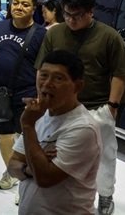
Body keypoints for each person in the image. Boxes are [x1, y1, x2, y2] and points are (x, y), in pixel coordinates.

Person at [35, 0, 125, 214]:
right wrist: (43, 100)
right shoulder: (55, 34)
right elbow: (41, 68)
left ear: (91, 12)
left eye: (77, 15)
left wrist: (112, 107)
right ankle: (60, 195)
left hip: (97, 107)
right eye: (67, 14)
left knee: (104, 156)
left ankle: (105, 195)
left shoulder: (109, 36)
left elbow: (120, 73)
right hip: (59, 108)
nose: (71, 20)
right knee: (54, 152)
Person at [9, 50, 101, 215]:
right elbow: (12, 165)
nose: (47, 83)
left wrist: (28, 126)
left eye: (58, 78)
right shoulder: (39, 115)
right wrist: (30, 168)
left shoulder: (83, 128)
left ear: (78, 86)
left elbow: (45, 178)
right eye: (44, 75)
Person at [0, 0, 47, 191]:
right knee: (3, 136)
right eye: (15, 3)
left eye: (25, 4)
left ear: (34, 8)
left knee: (29, 139)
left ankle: (28, 180)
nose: (19, 7)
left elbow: (45, 68)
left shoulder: (41, 34)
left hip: (28, 94)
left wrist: (42, 95)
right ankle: (14, 173)